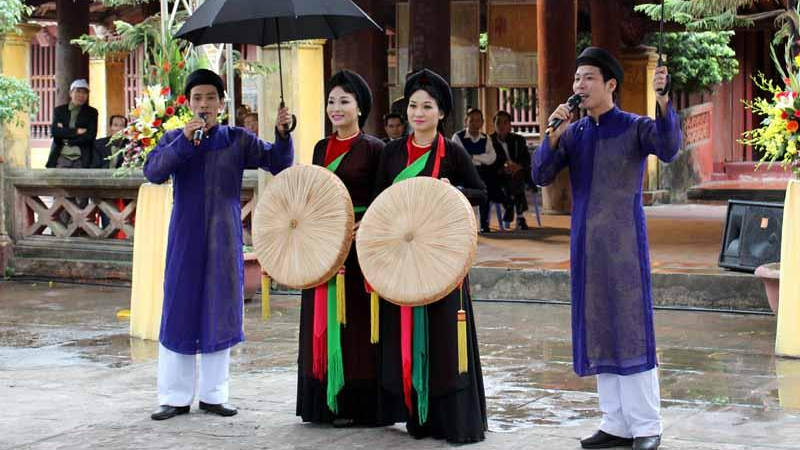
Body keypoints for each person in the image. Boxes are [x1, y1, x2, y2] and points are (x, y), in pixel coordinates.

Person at [531, 47, 681, 450]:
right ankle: (615, 423)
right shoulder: (575, 132)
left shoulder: (634, 127)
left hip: (625, 244)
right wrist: (552, 134)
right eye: (577, 78)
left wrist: (663, 98)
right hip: (586, 245)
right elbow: (541, 174)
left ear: (610, 84)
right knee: (598, 326)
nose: (579, 85)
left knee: (631, 329)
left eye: (589, 78)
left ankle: (647, 425)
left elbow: (668, 147)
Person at [144, 68, 294, 421]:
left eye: (211, 97)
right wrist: (183, 141)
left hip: (224, 240)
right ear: (188, 103)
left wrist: (283, 133)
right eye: (197, 98)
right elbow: (153, 172)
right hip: (184, 238)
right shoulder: (173, 139)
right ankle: (174, 397)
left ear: (222, 103)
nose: (204, 104)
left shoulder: (237, 139)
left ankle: (215, 394)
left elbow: (278, 162)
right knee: (179, 309)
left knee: (220, 309)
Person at [375, 68, 488, 444]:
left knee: (445, 337)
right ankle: (415, 415)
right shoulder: (391, 153)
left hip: (443, 259)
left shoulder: (452, 152)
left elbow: (481, 191)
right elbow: (380, 204)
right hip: (404, 258)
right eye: (412, 106)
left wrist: (452, 189)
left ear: (441, 114)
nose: (418, 113)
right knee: (404, 333)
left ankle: (450, 418)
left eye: (427, 107)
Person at [297, 69, 406, 428]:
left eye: (344, 101)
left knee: (358, 326)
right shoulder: (320, 147)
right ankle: (323, 401)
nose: (336, 108)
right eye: (331, 101)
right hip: (324, 247)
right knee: (321, 323)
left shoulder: (376, 149)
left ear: (360, 108)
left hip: (359, 251)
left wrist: (366, 225)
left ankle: (360, 405)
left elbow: (383, 198)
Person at [452, 108, 505, 233]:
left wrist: (473, 157)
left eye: (478, 121)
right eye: (472, 120)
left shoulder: (486, 139)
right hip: (463, 173)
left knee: (486, 188)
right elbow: (460, 158)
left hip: (481, 172)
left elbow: (491, 158)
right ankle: (463, 225)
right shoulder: (457, 137)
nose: (475, 124)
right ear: (466, 121)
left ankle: (484, 224)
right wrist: (481, 157)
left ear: (482, 122)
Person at [490, 110, 532, 230]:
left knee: (516, 176)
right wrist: (502, 168)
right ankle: (520, 217)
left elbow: (526, 160)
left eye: (505, 122)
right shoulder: (489, 141)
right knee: (513, 178)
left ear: (510, 125)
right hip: (499, 175)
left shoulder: (518, 140)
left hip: (518, 173)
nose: (502, 126)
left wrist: (517, 166)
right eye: (498, 122)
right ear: (494, 124)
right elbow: (489, 162)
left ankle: (509, 206)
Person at [46, 79, 98, 169]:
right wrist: (77, 131)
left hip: (82, 157)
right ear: (70, 93)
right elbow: (55, 132)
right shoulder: (59, 111)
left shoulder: (92, 113)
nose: (81, 95)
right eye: (78, 91)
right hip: (61, 156)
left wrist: (67, 140)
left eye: (85, 92)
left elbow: (90, 135)